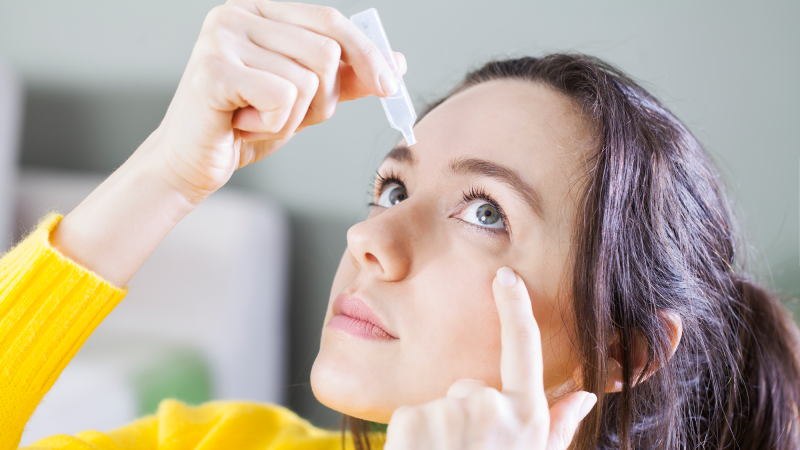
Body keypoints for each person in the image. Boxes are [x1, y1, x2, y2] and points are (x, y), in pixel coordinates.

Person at [2, 1, 799, 449]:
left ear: (622, 353)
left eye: (486, 212)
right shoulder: (219, 440)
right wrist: (167, 174)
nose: (369, 242)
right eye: (390, 190)